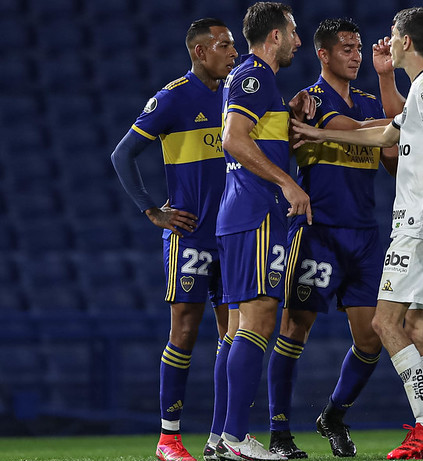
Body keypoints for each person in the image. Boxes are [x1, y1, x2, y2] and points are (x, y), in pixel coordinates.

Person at [291, 7, 423, 459]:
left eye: (393, 33)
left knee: (384, 323)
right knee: (420, 324)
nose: (386, 39)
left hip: (420, 224)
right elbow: (387, 136)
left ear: (407, 41)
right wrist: (313, 131)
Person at [265, 17, 399, 459]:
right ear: (323, 54)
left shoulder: (366, 100)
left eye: (358, 47)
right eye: (346, 48)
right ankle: (280, 433)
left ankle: (334, 415)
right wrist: (397, 127)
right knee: (293, 330)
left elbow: (395, 161)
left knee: (371, 339)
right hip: (318, 233)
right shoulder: (309, 103)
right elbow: (359, 128)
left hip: (364, 235)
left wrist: (386, 84)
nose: (356, 55)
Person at [110, 18, 237, 461]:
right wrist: (152, 210)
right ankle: (169, 439)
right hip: (191, 233)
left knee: (234, 335)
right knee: (183, 329)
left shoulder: (239, 93)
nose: (233, 53)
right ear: (200, 52)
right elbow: (123, 154)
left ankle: (223, 439)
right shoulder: (173, 98)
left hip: (234, 233)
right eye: (224, 46)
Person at [212, 3, 309, 461]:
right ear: (274, 35)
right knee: (259, 319)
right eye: (293, 32)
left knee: (237, 327)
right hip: (256, 213)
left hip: (241, 214)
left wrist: (285, 113)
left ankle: (221, 438)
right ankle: (235, 437)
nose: (298, 41)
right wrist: (288, 181)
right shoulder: (255, 75)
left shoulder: (255, 81)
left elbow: (253, 131)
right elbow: (233, 137)